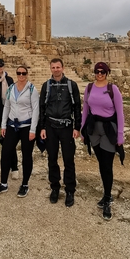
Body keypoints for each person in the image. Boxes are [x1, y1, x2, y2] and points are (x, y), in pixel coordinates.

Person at [80, 62, 125, 220]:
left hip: (108, 130)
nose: (99, 74)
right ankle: (106, 194)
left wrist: (120, 135)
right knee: (101, 163)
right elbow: (85, 109)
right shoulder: (89, 88)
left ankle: (107, 198)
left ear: (107, 73)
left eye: (102, 72)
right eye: (97, 71)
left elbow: (120, 113)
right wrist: (82, 129)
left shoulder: (113, 90)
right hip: (94, 130)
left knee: (107, 164)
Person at [0, 65, 40, 198]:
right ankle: (3, 183)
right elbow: (7, 106)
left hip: (26, 126)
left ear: (27, 74)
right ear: (16, 74)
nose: (21, 75)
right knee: (6, 153)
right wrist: (3, 125)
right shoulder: (11, 88)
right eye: (19, 73)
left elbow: (36, 110)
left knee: (26, 155)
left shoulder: (32, 89)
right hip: (12, 125)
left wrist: (33, 129)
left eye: (24, 73)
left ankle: (24, 184)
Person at [40, 58, 81, 207]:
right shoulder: (46, 86)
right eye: (53, 67)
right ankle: (55, 188)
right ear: (50, 69)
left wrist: (77, 127)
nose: (56, 69)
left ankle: (70, 190)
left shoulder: (72, 85)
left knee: (68, 159)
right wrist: (42, 127)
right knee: (52, 159)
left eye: (58, 67)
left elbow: (77, 107)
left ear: (63, 68)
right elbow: (42, 108)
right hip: (50, 126)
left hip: (66, 126)